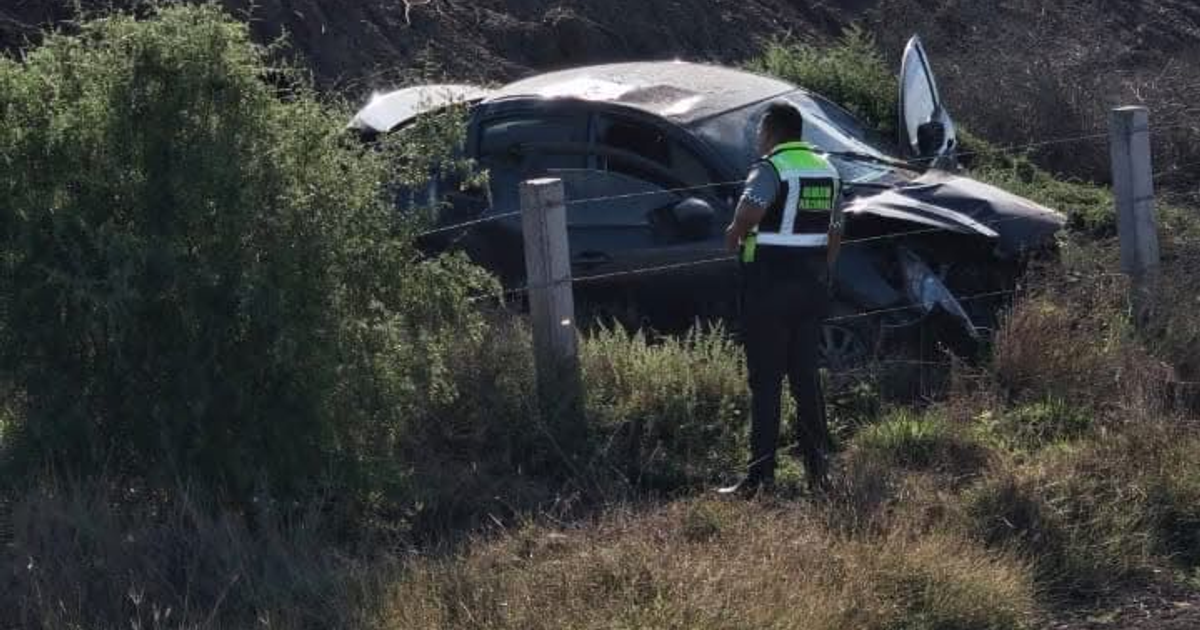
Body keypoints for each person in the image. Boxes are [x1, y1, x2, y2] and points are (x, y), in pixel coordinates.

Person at [718, 102, 845, 497]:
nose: (758, 137)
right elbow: (836, 229)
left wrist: (733, 235)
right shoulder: (827, 170)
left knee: (767, 382)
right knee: (806, 380)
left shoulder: (771, 168)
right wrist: (821, 271)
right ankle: (818, 472)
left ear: (772, 131)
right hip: (811, 285)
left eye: (761, 130)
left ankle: (761, 477)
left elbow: (749, 213)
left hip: (769, 286)